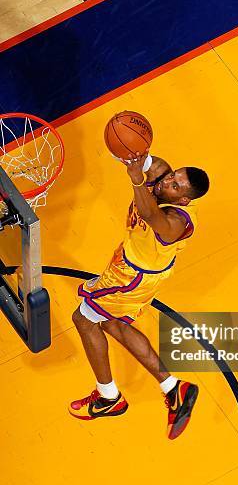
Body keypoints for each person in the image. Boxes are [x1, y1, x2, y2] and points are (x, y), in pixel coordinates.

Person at [69, 149, 210, 439]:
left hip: (130, 277)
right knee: (113, 323)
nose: (167, 182)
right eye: (173, 176)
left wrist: (136, 179)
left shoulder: (176, 223)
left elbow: (147, 212)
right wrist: (131, 154)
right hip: (136, 269)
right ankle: (173, 389)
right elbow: (152, 162)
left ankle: (108, 398)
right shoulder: (161, 179)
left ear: (183, 200)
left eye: (175, 186)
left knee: (83, 319)